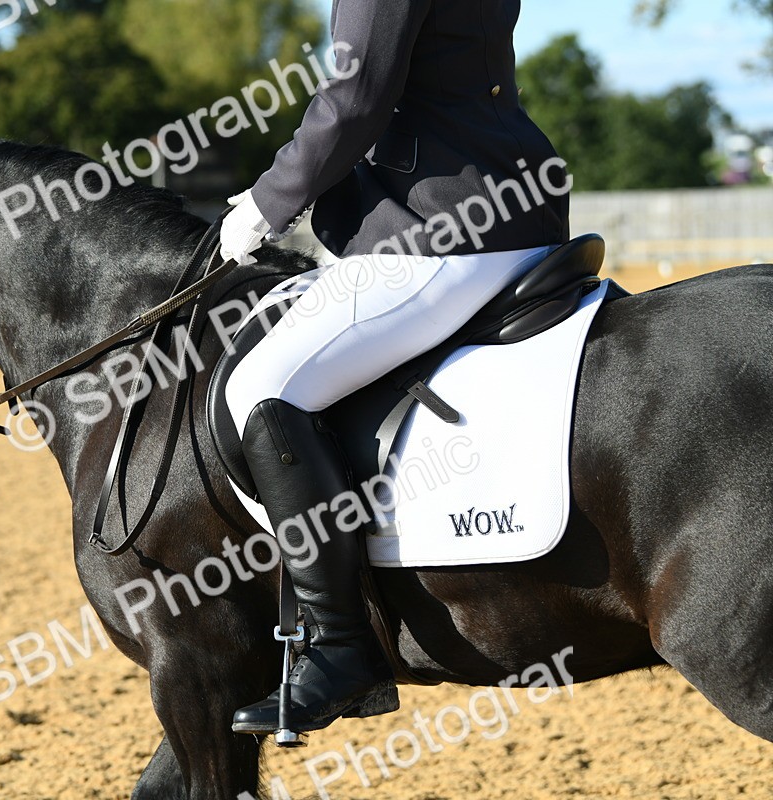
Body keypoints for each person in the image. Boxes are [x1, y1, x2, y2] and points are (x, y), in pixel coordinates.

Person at [220, 0, 570, 735]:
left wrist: (268, 198)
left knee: (263, 389)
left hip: (440, 226)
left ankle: (344, 650)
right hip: (516, 205)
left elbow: (356, 98)